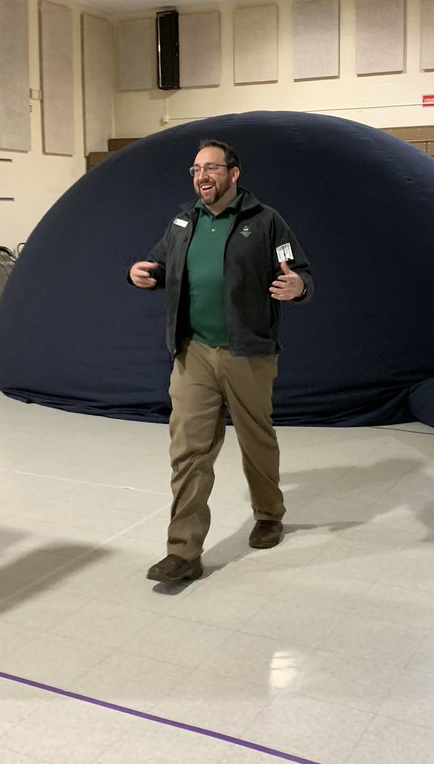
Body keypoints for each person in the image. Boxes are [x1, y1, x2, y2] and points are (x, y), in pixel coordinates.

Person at [128, 139, 314, 584]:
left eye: (211, 168)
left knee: (256, 440)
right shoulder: (182, 221)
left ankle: (269, 514)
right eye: (195, 169)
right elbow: (158, 264)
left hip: (248, 353)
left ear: (234, 173)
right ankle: (183, 552)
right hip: (192, 352)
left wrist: (299, 288)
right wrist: (140, 274)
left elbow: (299, 270)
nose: (201, 176)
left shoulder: (266, 222)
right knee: (188, 451)